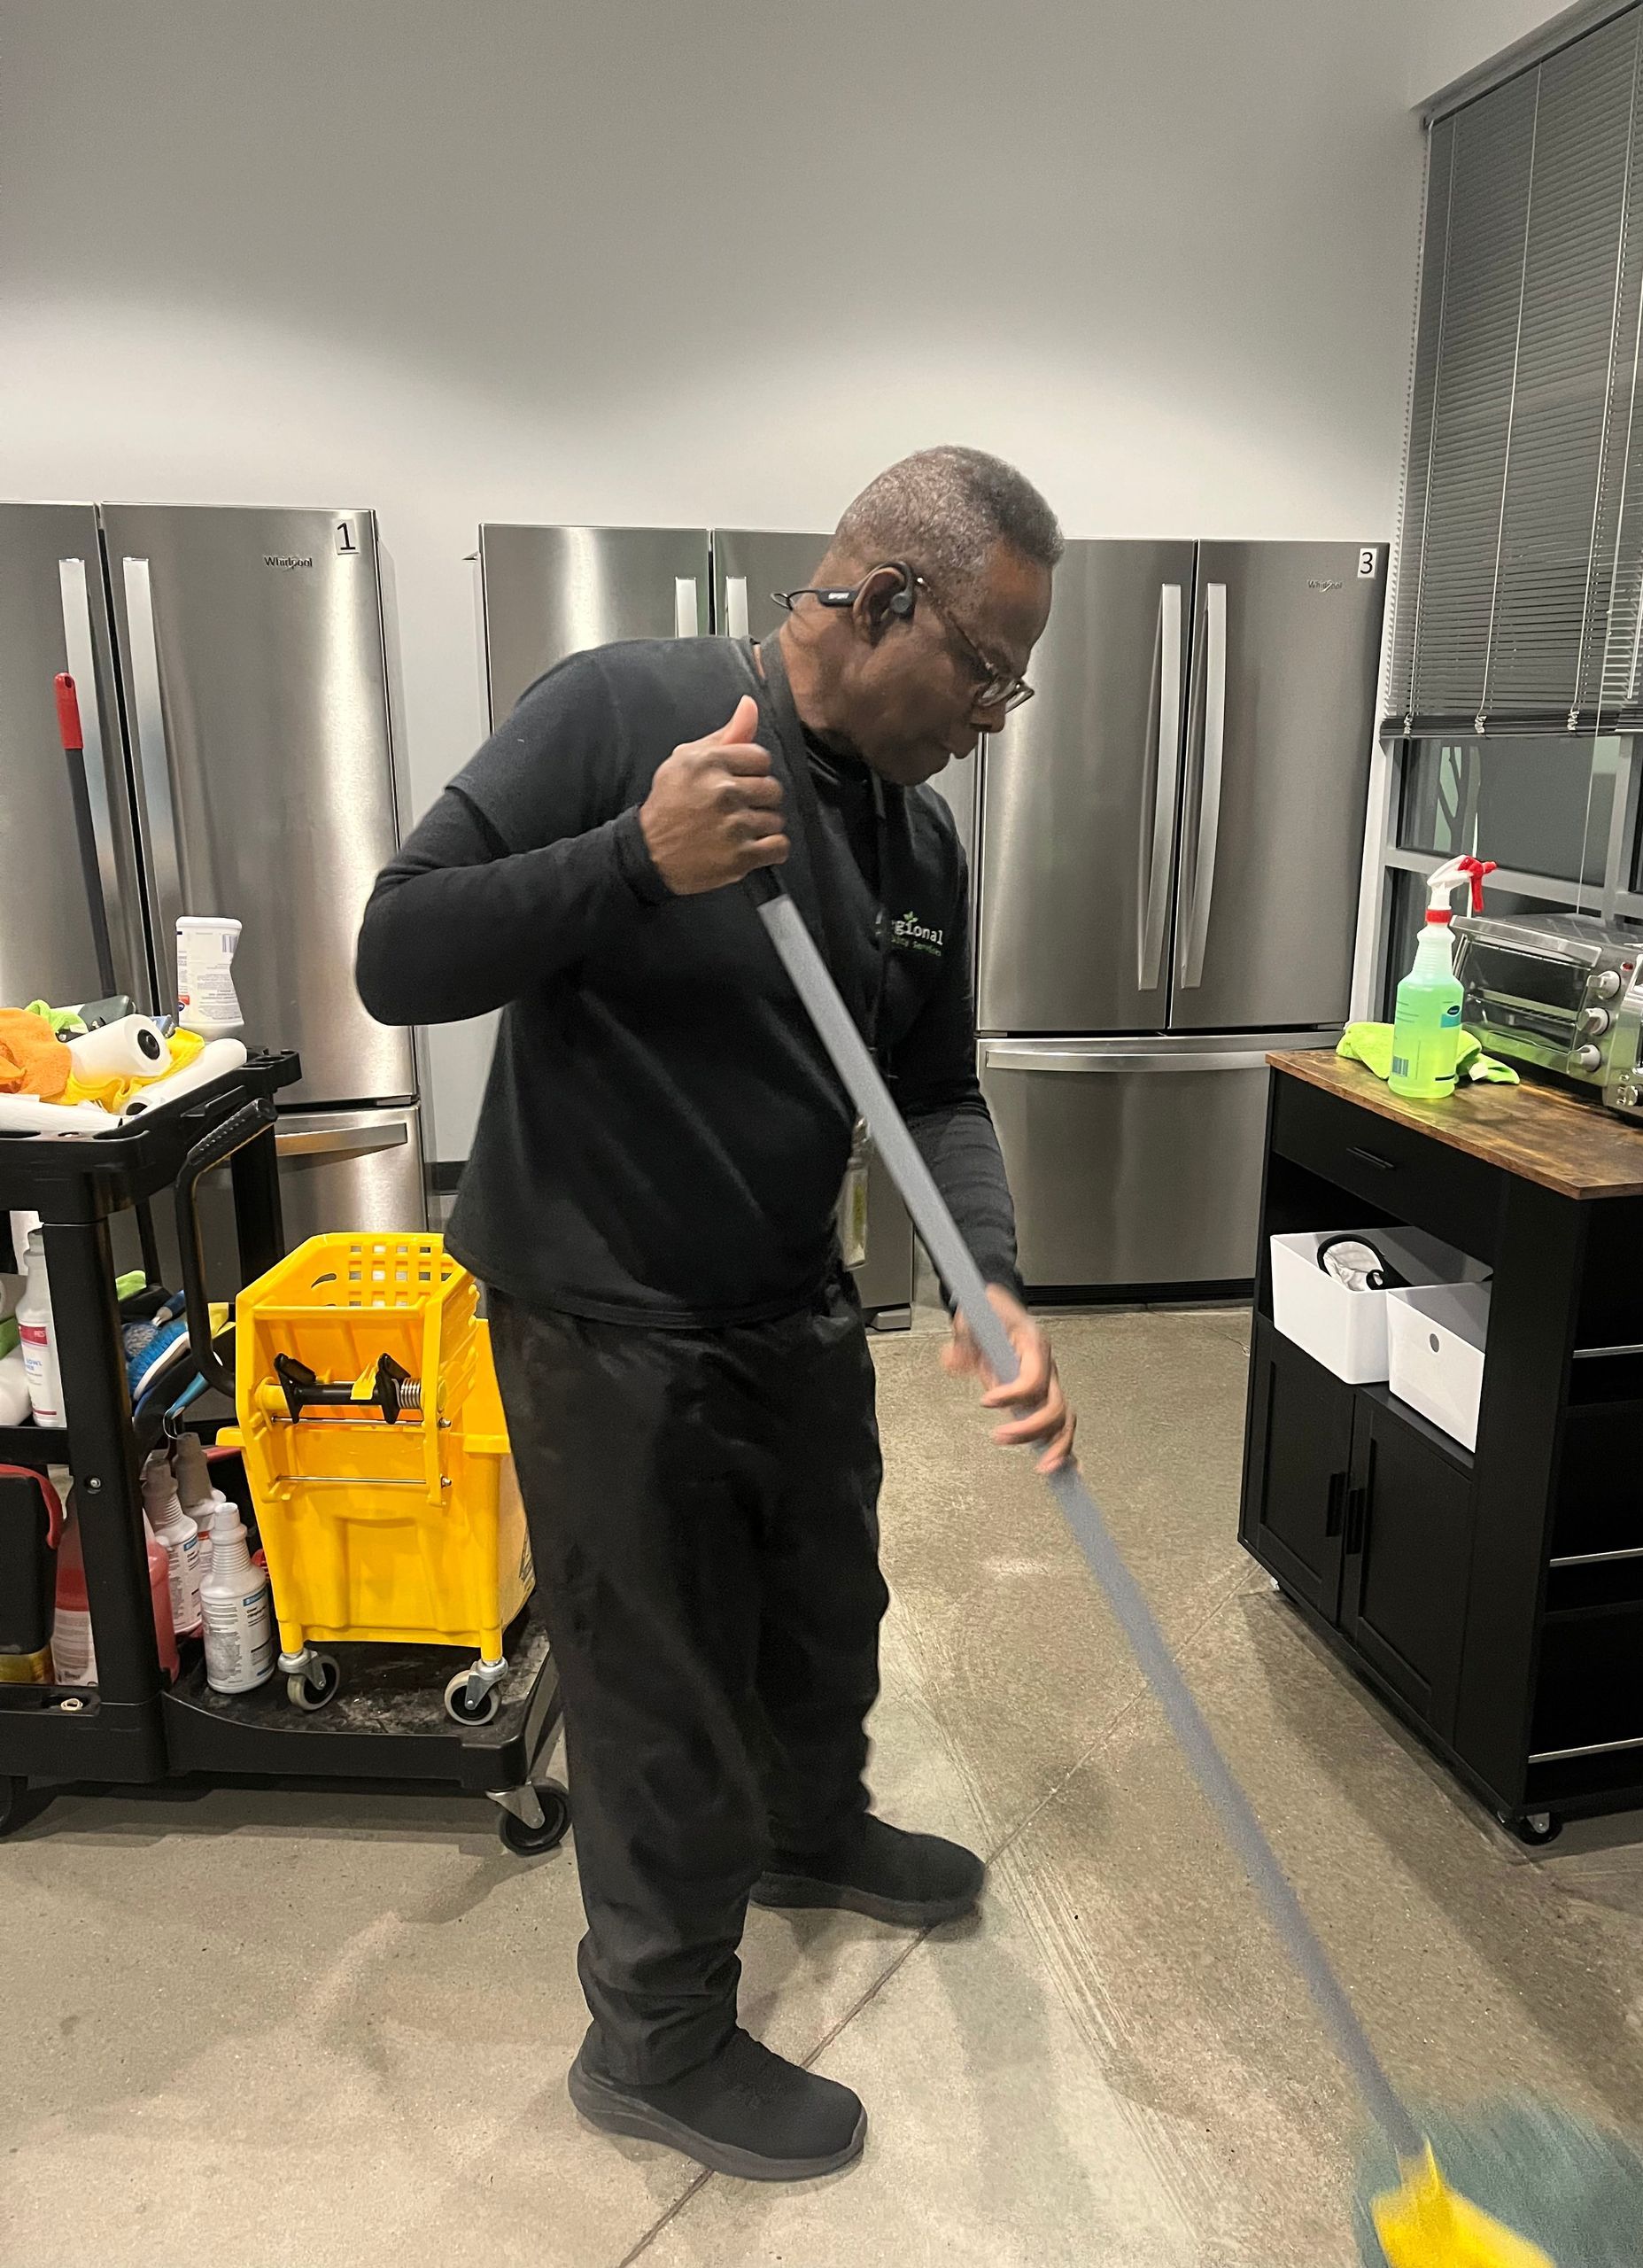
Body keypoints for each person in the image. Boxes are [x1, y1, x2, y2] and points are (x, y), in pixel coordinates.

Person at [356, 445, 1075, 2182]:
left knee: (826, 1615)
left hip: (787, 1298)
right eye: (984, 669)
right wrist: (632, 857)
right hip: (603, 1312)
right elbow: (399, 951)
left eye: (1013, 684)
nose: (993, 715)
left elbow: (935, 1092)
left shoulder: (918, 839)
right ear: (881, 599)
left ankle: (810, 1828)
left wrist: (984, 1271)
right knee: (660, 1690)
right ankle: (654, 2039)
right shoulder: (625, 713)